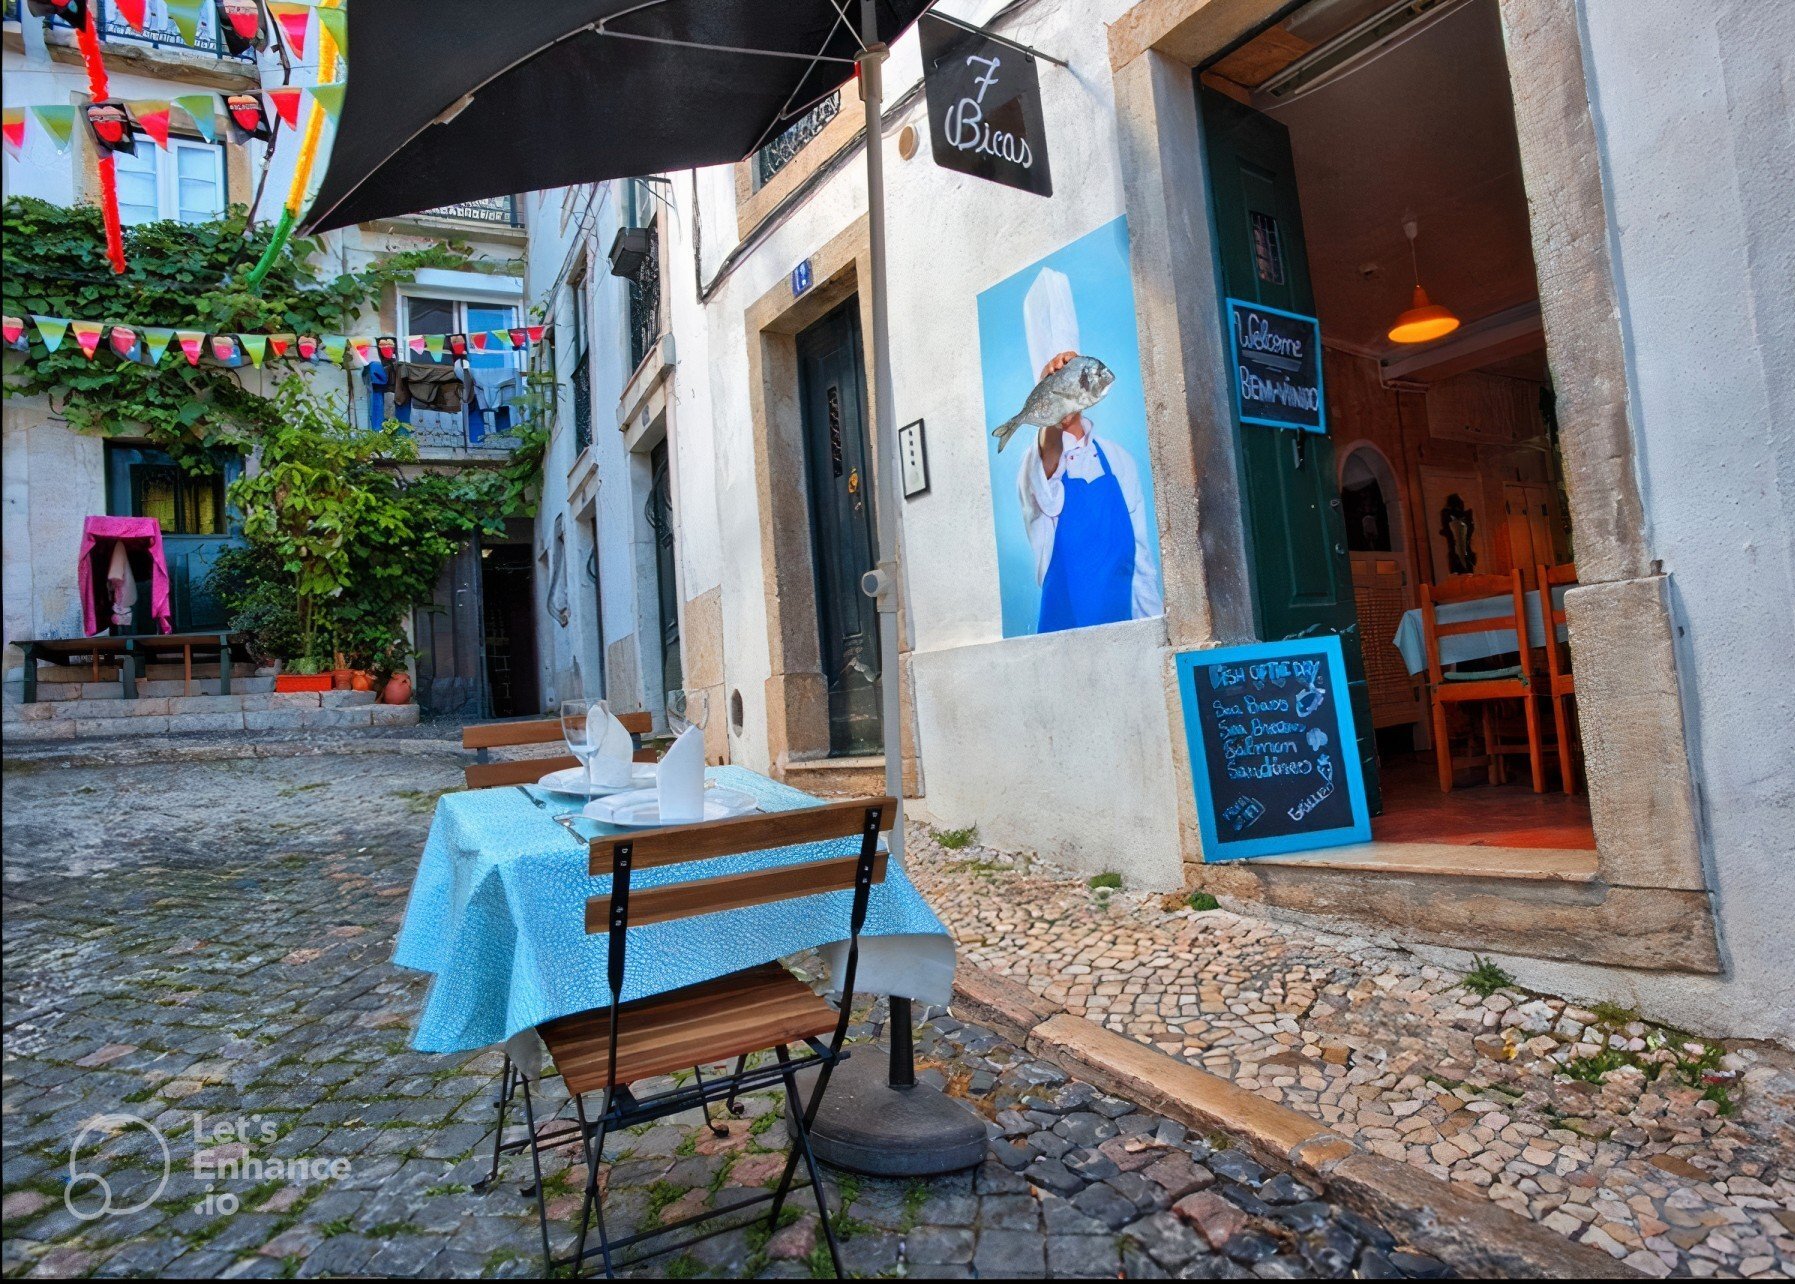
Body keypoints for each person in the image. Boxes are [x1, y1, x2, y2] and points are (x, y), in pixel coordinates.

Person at [1017, 349, 1164, 633]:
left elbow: (1141, 566)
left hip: (1125, 640)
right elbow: (1047, 476)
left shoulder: (1120, 460)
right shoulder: (1034, 466)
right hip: (1061, 648)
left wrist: (1156, 634)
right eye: (1057, 381)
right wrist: (1053, 412)